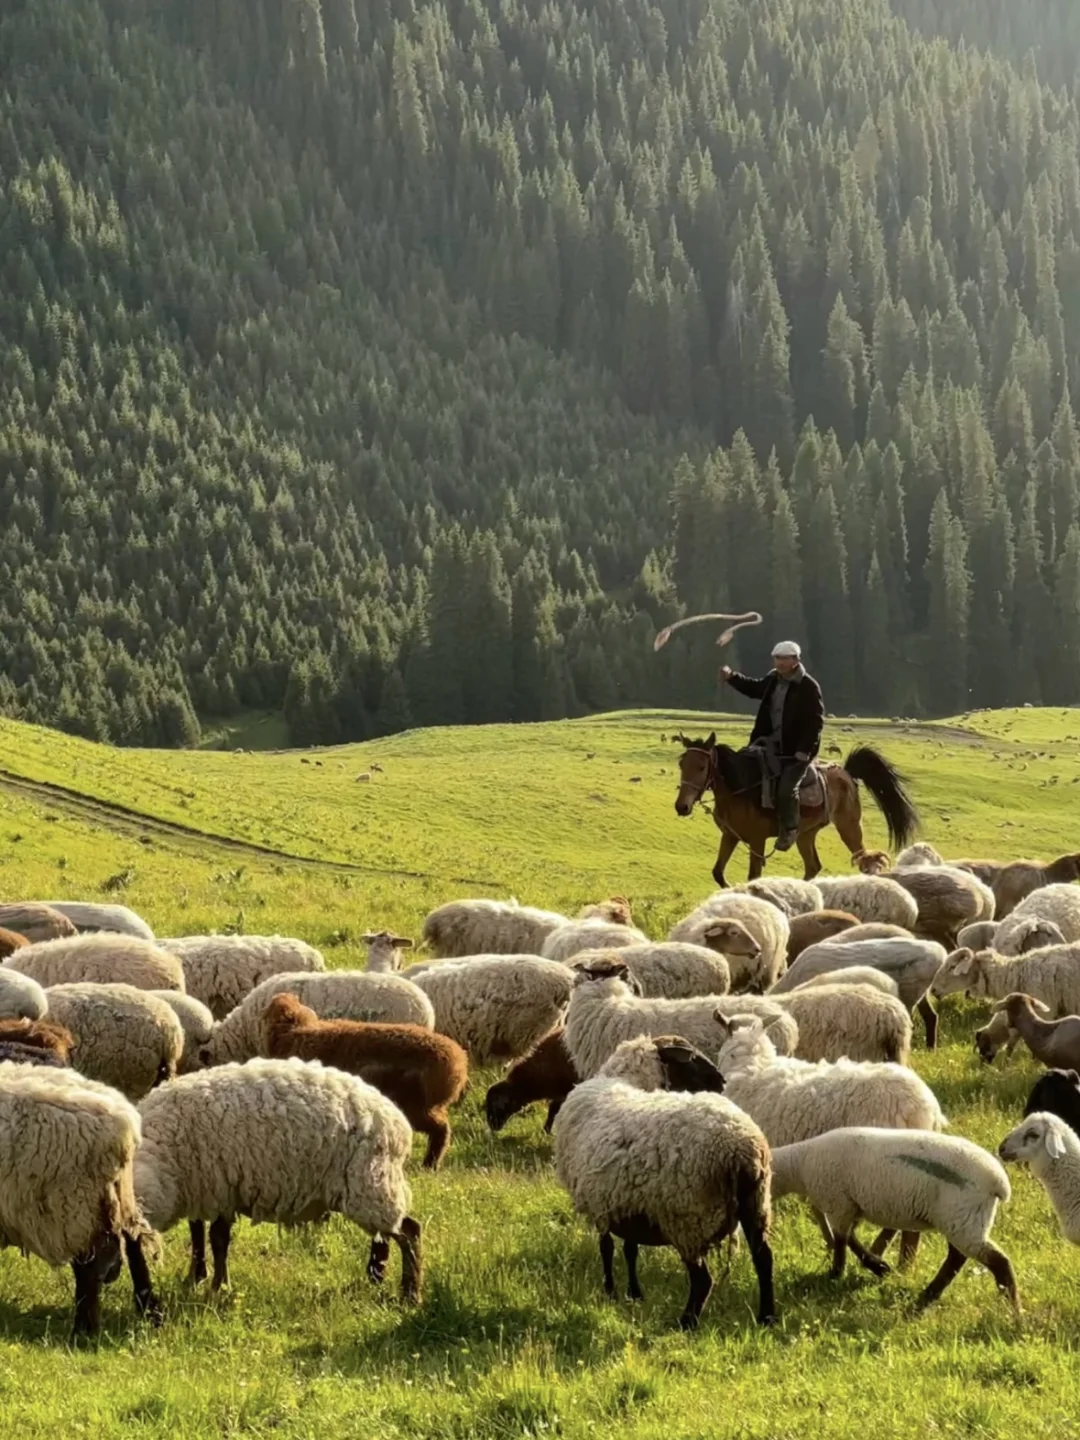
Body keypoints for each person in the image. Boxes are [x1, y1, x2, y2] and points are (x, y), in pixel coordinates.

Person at [719, 641, 824, 851]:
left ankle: (790, 829)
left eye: (784, 659)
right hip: (768, 744)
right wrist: (732, 677)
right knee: (746, 772)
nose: (779, 663)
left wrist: (804, 751)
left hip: (797, 753)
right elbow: (754, 688)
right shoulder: (773, 679)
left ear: (795, 660)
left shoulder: (808, 687)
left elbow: (815, 723)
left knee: (786, 790)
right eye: (777, 658)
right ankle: (751, 821)